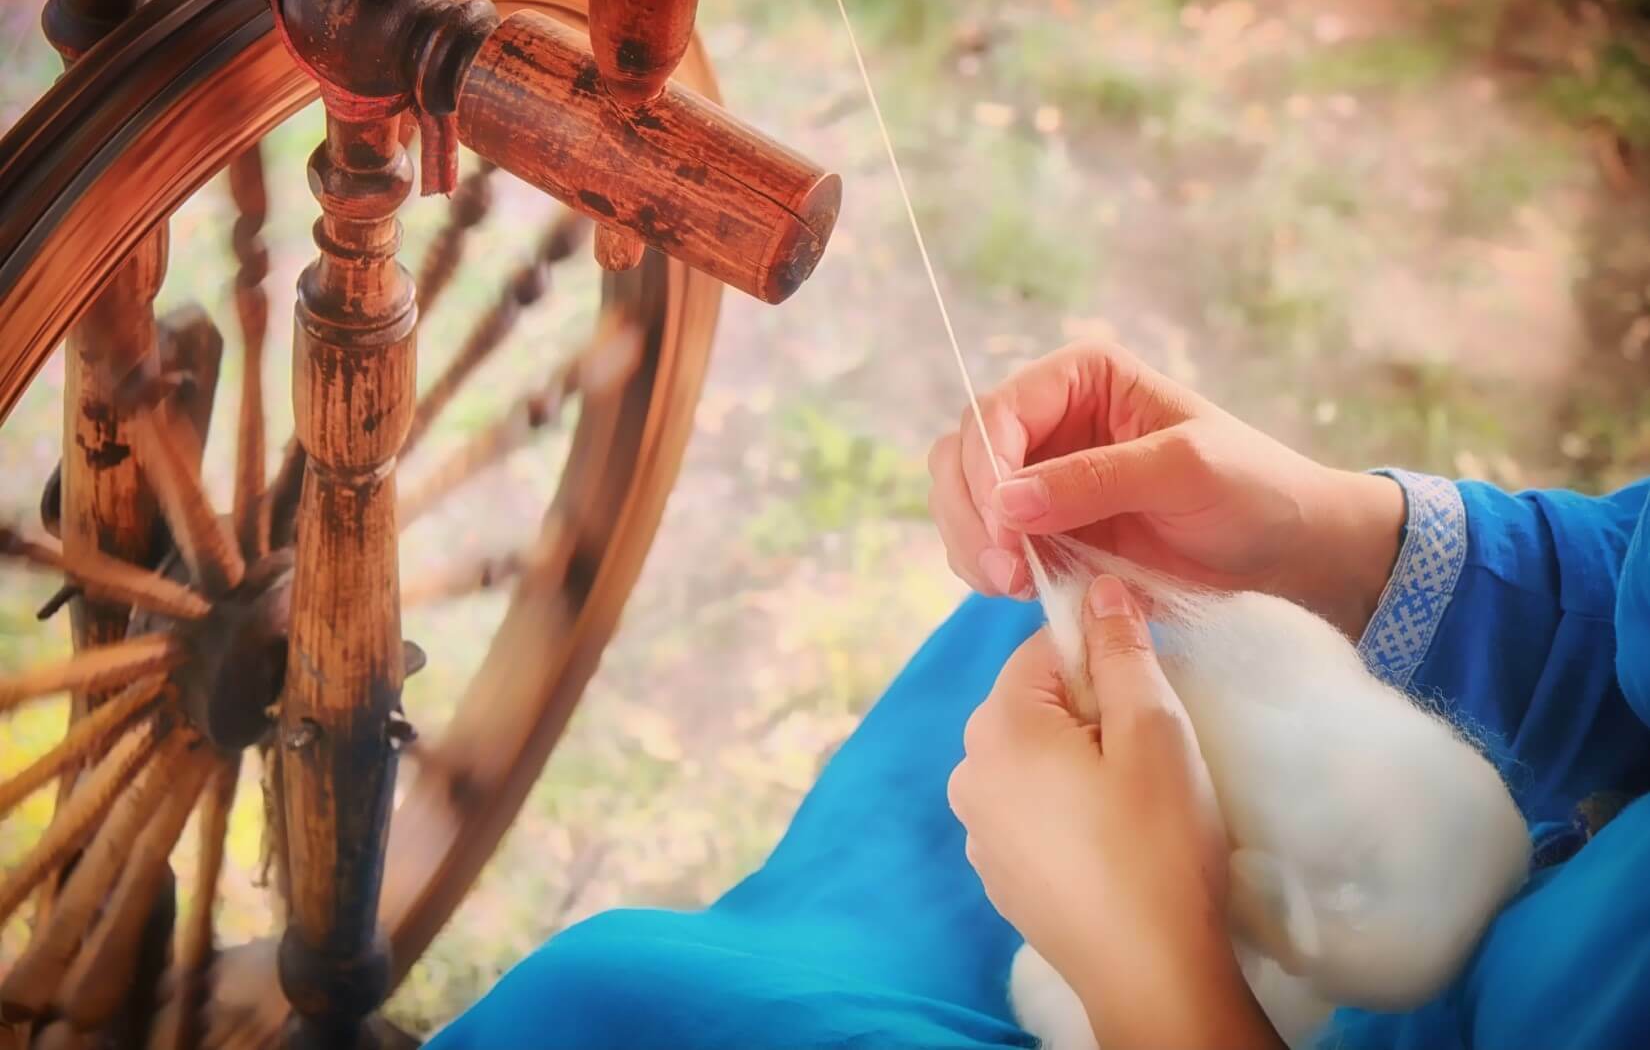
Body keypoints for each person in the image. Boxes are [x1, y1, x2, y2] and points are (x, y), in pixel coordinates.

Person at [427, 340, 1650, 1049]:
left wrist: (1154, 968)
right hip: (1382, 910)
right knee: (1034, 622)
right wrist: (1320, 535)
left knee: (610, 1004)